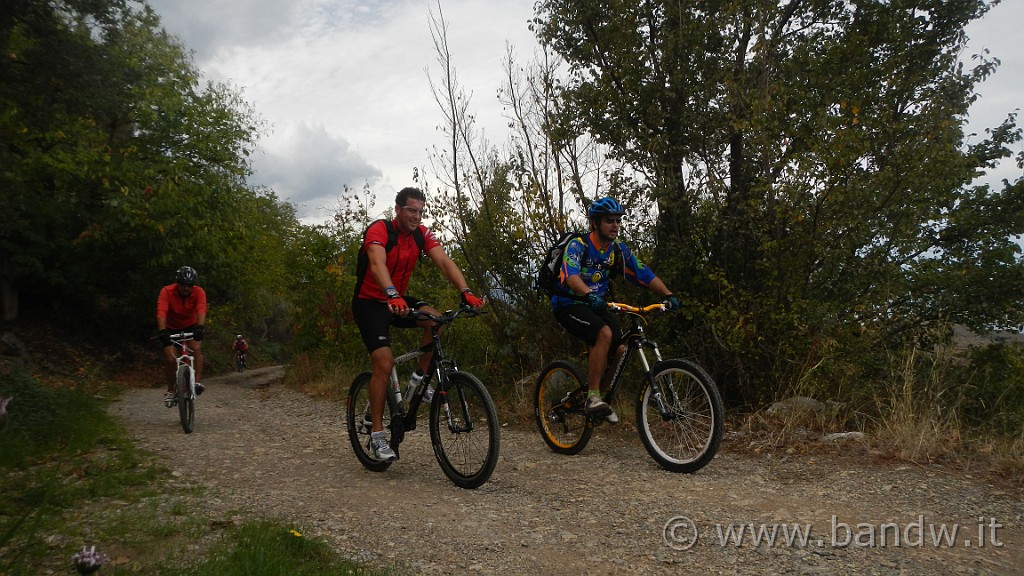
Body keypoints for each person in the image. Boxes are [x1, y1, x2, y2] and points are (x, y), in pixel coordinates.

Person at [352, 187, 485, 462]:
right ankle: (377, 437)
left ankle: (417, 382)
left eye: (420, 211)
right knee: (384, 363)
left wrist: (465, 291)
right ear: (398, 209)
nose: (416, 216)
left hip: (398, 299)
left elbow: (444, 262)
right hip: (371, 302)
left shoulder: (420, 234)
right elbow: (377, 265)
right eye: (411, 210)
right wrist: (390, 293)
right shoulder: (379, 230)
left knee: (435, 320)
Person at [551, 196, 680, 423]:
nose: (616, 225)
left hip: (596, 305)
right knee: (605, 334)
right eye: (610, 220)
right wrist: (588, 294)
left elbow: (644, 274)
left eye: (618, 221)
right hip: (568, 303)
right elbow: (570, 276)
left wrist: (668, 295)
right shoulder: (578, 245)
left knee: (619, 349)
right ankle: (592, 397)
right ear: (595, 223)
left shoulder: (617, 250)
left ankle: (599, 400)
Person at [156, 266, 207, 406]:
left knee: (196, 348)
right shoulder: (166, 291)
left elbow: (201, 308)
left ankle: (196, 382)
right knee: (170, 358)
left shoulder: (199, 292)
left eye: (189, 285)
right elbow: (161, 311)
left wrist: (200, 327)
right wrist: (162, 331)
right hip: (170, 328)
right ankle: (171, 390)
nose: (186, 288)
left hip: (191, 325)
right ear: (177, 282)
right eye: (183, 284)